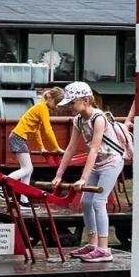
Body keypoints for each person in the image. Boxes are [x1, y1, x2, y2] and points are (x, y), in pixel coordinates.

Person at [54, 81, 124, 262]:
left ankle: (104, 248)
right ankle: (92, 243)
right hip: (97, 164)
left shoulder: (98, 118)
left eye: (72, 102)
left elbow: (93, 149)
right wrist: (59, 175)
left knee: (98, 202)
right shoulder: (78, 120)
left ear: (85, 100)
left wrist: (83, 178)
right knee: (85, 202)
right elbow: (70, 149)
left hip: (111, 162)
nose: (69, 107)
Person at [9, 87, 63, 185]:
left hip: (19, 138)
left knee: (28, 169)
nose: (57, 107)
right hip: (18, 137)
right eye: (56, 103)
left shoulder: (41, 107)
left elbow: (36, 130)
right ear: (50, 98)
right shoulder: (43, 108)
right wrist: (57, 148)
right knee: (27, 168)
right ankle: (3, 183)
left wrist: (41, 148)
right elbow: (48, 130)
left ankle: (24, 199)